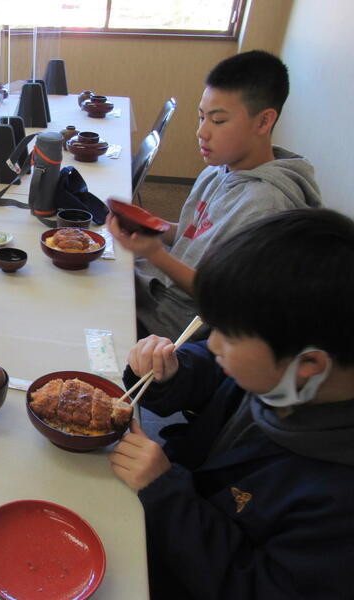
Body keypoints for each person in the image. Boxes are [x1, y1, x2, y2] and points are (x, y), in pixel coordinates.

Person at [109, 208, 354, 599]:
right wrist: (170, 371)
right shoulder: (285, 378)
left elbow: (256, 587)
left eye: (229, 335)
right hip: (163, 506)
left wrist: (166, 492)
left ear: (308, 364)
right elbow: (212, 367)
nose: (213, 342)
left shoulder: (337, 502)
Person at [108, 50, 322, 341]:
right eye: (201, 117)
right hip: (155, 289)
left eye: (218, 121)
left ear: (263, 122)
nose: (202, 132)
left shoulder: (265, 204)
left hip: (172, 326)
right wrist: (152, 226)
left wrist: (154, 253)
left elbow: (228, 297)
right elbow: (195, 233)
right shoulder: (220, 168)